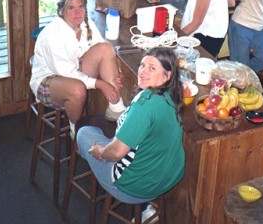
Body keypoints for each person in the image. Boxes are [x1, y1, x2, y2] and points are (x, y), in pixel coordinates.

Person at [76, 47, 185, 221]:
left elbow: (116, 153)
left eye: (152, 68)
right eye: (142, 65)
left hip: (134, 188)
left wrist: (100, 152)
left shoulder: (144, 105)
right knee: (122, 141)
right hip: (167, 177)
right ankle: (145, 209)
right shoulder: (173, 96)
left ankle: (105, 182)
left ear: (167, 76)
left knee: (84, 133)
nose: (143, 71)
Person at [30, 0, 126, 137]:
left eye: (81, 7)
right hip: (48, 80)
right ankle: (75, 129)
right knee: (77, 89)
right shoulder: (52, 36)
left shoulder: (86, 24)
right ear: (61, 11)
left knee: (106, 48)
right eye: (71, 8)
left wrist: (117, 72)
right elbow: (67, 73)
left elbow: (102, 48)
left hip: (75, 70)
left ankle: (116, 107)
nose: (77, 12)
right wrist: (101, 84)